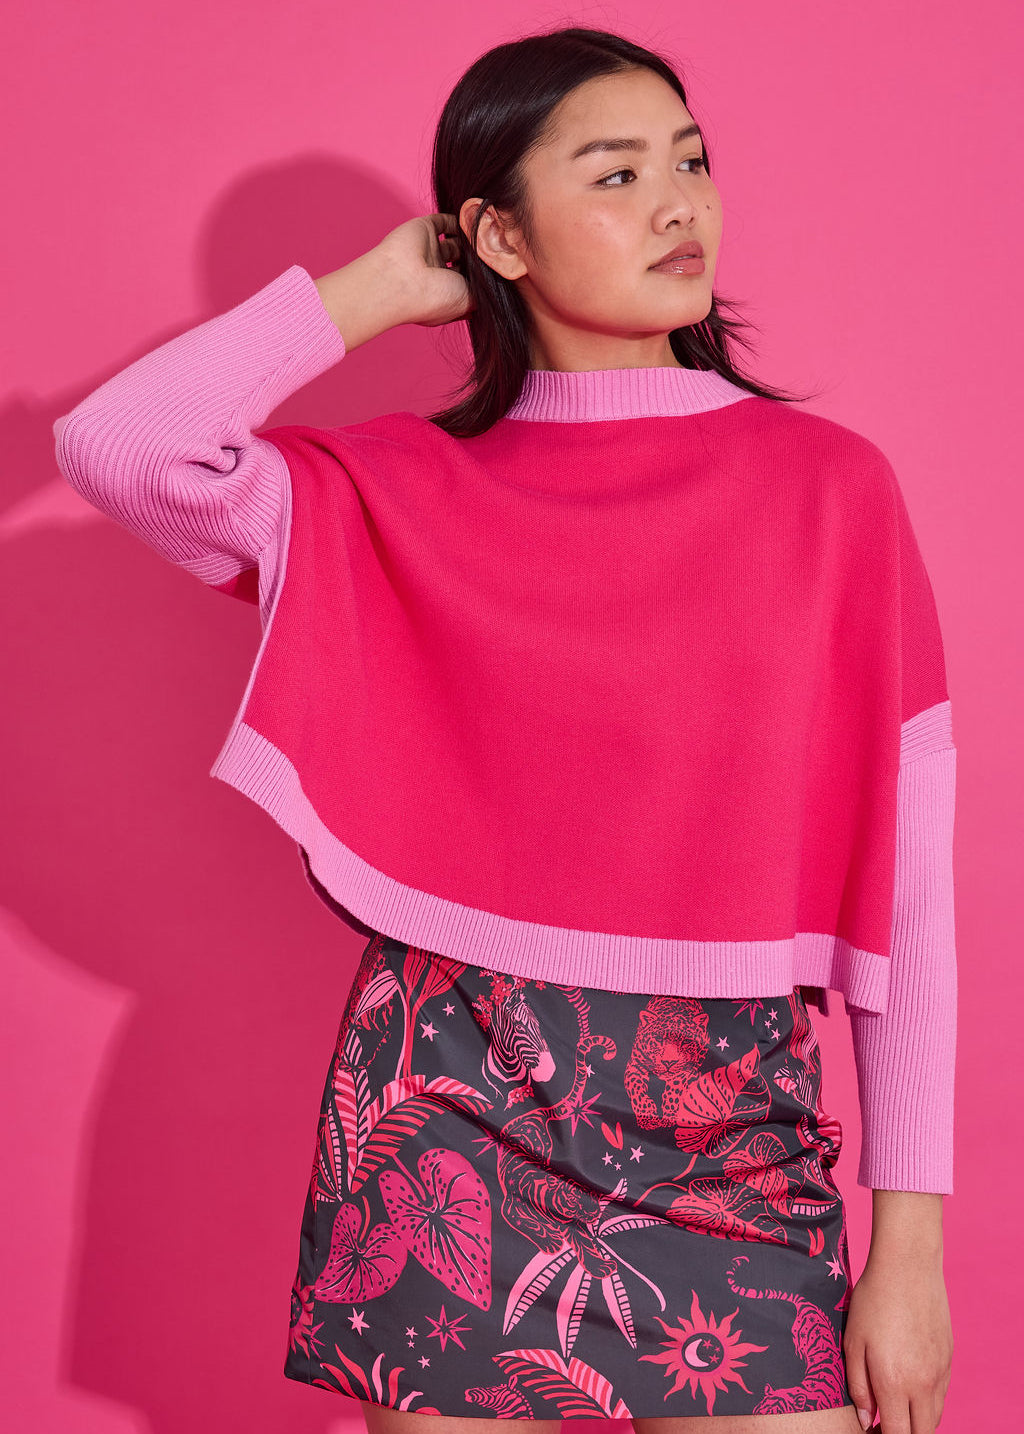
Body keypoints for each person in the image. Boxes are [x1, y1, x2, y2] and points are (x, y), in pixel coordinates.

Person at [53, 24, 956, 1434]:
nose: (679, 205)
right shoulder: (391, 489)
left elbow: (910, 893)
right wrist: (371, 290)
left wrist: (911, 1244)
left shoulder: (830, 492)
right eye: (616, 174)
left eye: (691, 162)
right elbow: (120, 447)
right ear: (497, 235)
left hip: (732, 1121)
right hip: (450, 1104)